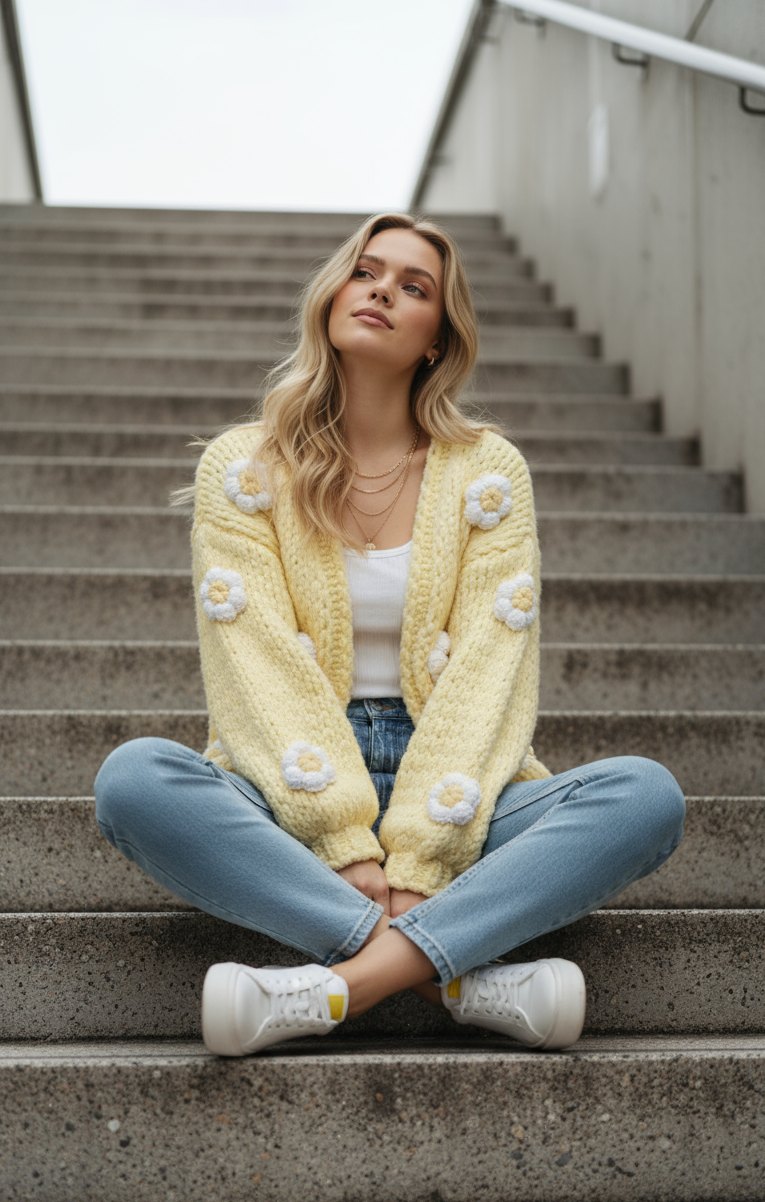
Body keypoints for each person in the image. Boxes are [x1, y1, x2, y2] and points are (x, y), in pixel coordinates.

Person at [94, 212, 685, 1057]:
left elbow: (491, 669)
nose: (381, 290)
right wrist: (341, 835)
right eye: (367, 271)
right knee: (134, 780)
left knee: (645, 796)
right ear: (334, 293)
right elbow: (251, 662)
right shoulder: (245, 466)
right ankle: (459, 978)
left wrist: (421, 856)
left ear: (438, 339)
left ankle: (339, 990)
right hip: (288, 773)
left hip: (461, 782)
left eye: (414, 287)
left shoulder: (488, 471)